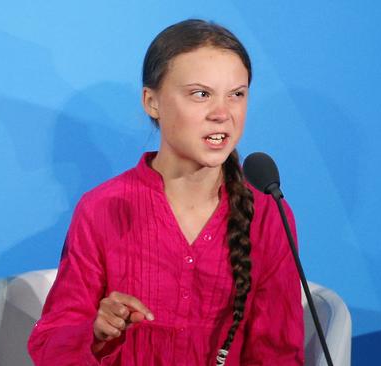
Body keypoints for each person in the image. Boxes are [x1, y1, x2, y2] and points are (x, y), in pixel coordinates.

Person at [28, 19, 304, 365]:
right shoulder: (101, 208)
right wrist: (95, 333)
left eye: (237, 94)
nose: (222, 114)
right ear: (151, 102)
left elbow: (278, 354)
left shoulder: (267, 214)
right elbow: (51, 342)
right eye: (200, 94)